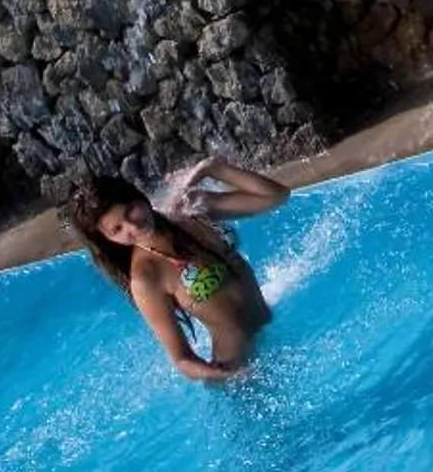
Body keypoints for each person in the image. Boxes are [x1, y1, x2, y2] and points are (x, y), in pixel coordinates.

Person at [65, 158, 290, 382]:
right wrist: (235, 375)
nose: (133, 226)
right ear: (109, 240)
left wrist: (213, 168)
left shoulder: (190, 212)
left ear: (138, 197)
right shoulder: (146, 276)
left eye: (130, 211)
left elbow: (277, 196)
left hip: (272, 329)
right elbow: (182, 360)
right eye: (117, 229)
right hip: (240, 367)